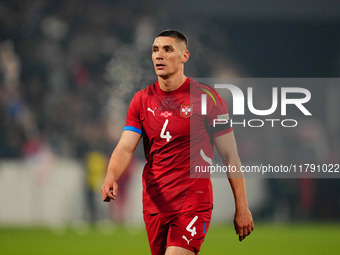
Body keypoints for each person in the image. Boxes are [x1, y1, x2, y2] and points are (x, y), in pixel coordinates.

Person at [101, 29, 254, 255]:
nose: (159, 55)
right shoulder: (141, 100)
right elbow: (125, 147)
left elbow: (230, 155)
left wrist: (242, 207)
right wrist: (111, 176)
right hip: (155, 203)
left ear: (185, 56)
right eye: (155, 50)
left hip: (193, 201)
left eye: (167, 49)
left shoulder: (208, 98)